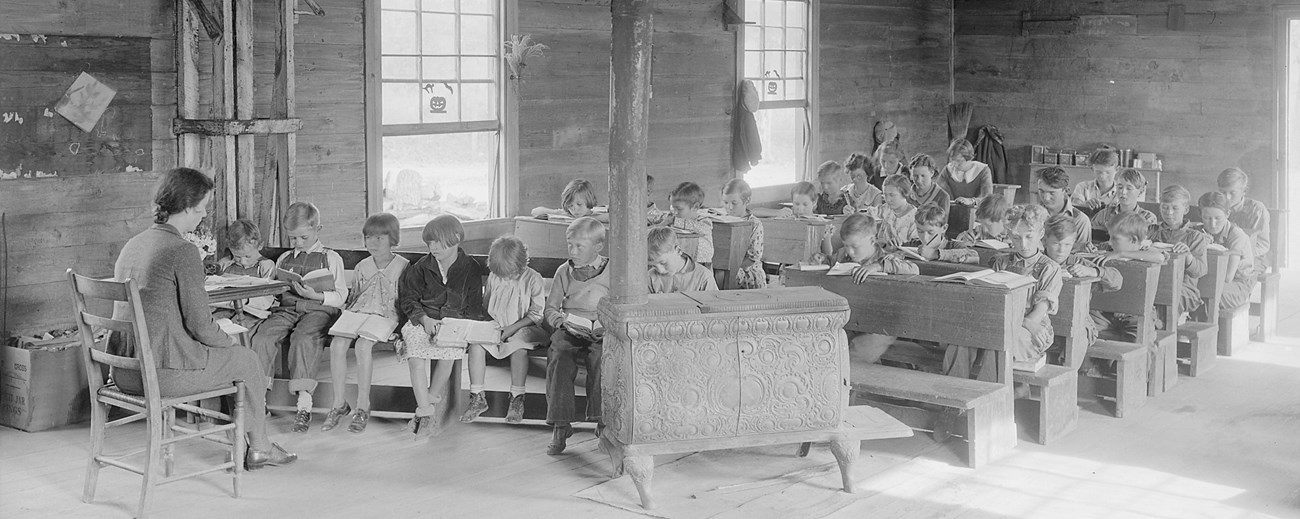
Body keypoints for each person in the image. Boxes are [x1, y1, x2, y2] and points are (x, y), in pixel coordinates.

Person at [110, 167, 295, 470]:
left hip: (124, 372)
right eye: (203, 206)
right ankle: (260, 447)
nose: (204, 214)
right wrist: (227, 342)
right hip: (161, 375)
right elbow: (200, 325)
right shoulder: (182, 251)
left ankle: (252, 443)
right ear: (187, 206)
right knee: (245, 359)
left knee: (234, 356)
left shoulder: (133, 245)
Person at [251, 202, 348, 434]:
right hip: (288, 308)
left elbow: (341, 295)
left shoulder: (331, 258)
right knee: (263, 336)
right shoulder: (284, 258)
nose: (297, 243)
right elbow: (275, 292)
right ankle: (258, 400)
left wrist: (317, 295)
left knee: (303, 339)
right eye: (293, 239)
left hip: (318, 310)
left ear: (318, 229)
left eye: (303, 237)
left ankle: (304, 404)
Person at [398, 215, 490, 438]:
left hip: (454, 324)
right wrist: (425, 320)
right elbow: (409, 299)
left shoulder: (470, 267)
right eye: (429, 243)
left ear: (456, 238)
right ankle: (427, 411)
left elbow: (474, 304)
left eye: (438, 242)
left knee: (448, 355)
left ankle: (425, 405)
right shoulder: (421, 267)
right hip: (422, 321)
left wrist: (459, 326)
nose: (433, 247)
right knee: (415, 355)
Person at [946, 204, 1062, 380]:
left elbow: (1037, 315)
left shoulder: (1050, 268)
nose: (1023, 244)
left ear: (1041, 234)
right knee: (961, 339)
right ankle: (953, 394)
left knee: (998, 339)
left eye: (1029, 237)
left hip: (1032, 332)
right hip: (998, 321)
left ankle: (990, 399)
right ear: (1009, 236)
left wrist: (1025, 323)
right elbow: (989, 304)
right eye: (1016, 238)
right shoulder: (1001, 262)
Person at [321, 213, 409, 434]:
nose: (373, 243)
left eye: (380, 238)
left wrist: (401, 331)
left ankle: (363, 405)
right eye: (369, 237)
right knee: (338, 344)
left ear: (393, 239)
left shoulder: (403, 266)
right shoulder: (362, 266)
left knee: (362, 346)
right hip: (359, 312)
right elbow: (354, 298)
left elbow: (407, 301)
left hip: (386, 317)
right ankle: (339, 404)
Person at [461, 236, 549, 424]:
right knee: (476, 345)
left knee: (519, 348)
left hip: (525, 326)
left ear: (521, 265)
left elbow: (536, 314)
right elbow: (487, 305)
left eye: (508, 274)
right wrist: (489, 326)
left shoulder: (533, 279)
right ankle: (477, 397)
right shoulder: (495, 276)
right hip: (497, 324)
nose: (503, 278)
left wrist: (512, 328)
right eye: (499, 274)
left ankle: (517, 399)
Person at [543, 217, 611, 455]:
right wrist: (561, 321)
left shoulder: (612, 270)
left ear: (598, 247)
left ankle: (603, 422)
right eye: (569, 245)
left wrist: (608, 324)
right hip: (571, 326)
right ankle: (561, 425)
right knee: (560, 355)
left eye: (579, 246)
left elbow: (622, 304)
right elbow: (550, 308)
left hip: (603, 328)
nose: (573, 251)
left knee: (602, 358)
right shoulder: (564, 271)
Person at [828, 214, 919, 363]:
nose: (850, 252)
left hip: (882, 325)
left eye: (854, 246)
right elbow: (830, 261)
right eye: (846, 245)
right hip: (853, 321)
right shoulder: (843, 256)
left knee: (855, 355)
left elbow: (913, 269)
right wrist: (820, 259)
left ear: (872, 240)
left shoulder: (887, 257)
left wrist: (878, 266)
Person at [1042, 213, 1121, 366]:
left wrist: (1094, 272)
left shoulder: (1078, 263)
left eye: (1067, 245)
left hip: (1079, 323)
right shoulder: (1038, 261)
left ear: (1073, 244)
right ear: (1045, 241)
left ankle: (1067, 379)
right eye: (1056, 244)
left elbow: (1117, 281)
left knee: (1078, 335)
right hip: (1044, 321)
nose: (1061, 250)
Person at [1090, 212, 1169, 343]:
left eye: (1114, 238)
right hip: (1104, 312)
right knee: (1082, 326)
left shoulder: (1145, 252)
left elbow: (1159, 257)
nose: (1109, 242)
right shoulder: (1108, 248)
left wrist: (1121, 254)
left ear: (1133, 240)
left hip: (1135, 315)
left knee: (1137, 339)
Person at [1149, 185, 1209, 318]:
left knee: (1169, 292)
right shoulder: (1151, 231)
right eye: (1164, 207)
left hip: (1186, 290)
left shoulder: (1195, 236)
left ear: (1186, 209)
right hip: (1154, 282)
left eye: (1175, 208)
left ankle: (1158, 328)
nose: (1169, 212)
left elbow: (1200, 271)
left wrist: (1188, 256)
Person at [211, 218, 276, 331]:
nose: (242, 261)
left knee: (238, 328)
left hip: (251, 311)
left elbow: (267, 297)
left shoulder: (265, 265)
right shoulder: (225, 263)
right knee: (211, 326)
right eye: (237, 256)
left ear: (260, 246)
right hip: (224, 309)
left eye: (247, 256)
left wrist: (242, 300)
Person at [1198, 191, 1258, 311]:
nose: (1213, 224)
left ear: (1228, 214)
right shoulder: (1200, 232)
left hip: (1238, 284)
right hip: (1211, 281)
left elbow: (1228, 277)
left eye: (1218, 218)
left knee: (1207, 293)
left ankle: (1211, 328)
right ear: (1200, 215)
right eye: (1207, 218)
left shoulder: (1236, 235)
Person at [1217, 167, 1271, 270]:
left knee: (1228, 277)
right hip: (1225, 255)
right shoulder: (1217, 208)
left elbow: (1263, 245)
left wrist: (1238, 255)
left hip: (1254, 257)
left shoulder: (1257, 209)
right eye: (1223, 192)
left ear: (1244, 191)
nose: (1227, 197)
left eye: (1232, 193)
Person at [720, 179, 767, 289]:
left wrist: (731, 268)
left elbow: (753, 258)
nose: (729, 207)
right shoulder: (722, 219)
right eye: (726, 203)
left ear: (747, 201)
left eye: (734, 203)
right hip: (725, 266)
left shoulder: (754, 224)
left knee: (721, 276)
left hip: (747, 270)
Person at [1033, 166, 1092, 251]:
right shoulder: (1032, 215)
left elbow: (1083, 254)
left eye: (1052, 193)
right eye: (1041, 191)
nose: (1046, 197)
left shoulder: (1080, 220)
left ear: (1066, 191)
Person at [647, 226, 719, 293]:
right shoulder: (650, 277)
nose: (660, 270)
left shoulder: (703, 276)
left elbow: (715, 305)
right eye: (654, 266)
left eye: (663, 263)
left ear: (678, 250)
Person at [663, 182, 714, 267]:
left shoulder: (704, 221)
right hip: (683, 261)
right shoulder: (674, 218)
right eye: (672, 207)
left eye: (679, 209)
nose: (675, 212)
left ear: (695, 207)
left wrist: (676, 221)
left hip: (701, 264)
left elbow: (703, 229)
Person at [907, 202, 976, 263]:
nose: (925, 238)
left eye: (930, 232)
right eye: (920, 231)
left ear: (944, 228)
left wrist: (936, 254)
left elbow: (974, 256)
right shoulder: (913, 244)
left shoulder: (953, 245)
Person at [1091, 168, 1157, 230]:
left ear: (1141, 191)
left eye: (1129, 188)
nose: (1123, 192)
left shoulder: (1147, 218)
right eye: (1120, 187)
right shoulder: (1104, 215)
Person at [867, 174, 918, 249]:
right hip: (882, 253)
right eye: (885, 195)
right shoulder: (885, 208)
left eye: (892, 195)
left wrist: (901, 244)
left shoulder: (915, 217)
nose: (888, 199)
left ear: (904, 193)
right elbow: (869, 214)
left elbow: (916, 243)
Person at [938, 138, 993, 204]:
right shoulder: (947, 171)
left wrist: (971, 201)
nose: (954, 164)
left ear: (969, 158)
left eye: (959, 161)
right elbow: (939, 194)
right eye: (952, 160)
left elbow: (987, 197)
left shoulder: (983, 171)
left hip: (976, 212)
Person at [531, 179, 604, 221]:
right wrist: (555, 212)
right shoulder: (567, 214)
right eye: (570, 205)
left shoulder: (598, 214)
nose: (574, 209)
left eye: (579, 204)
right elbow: (535, 211)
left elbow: (608, 218)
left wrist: (585, 219)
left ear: (589, 200)